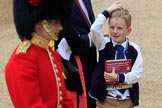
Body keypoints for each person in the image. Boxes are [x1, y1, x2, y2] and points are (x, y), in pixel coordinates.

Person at [4, 0, 74, 108]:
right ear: (39, 22)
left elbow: (64, 99)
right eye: (55, 22)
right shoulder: (22, 60)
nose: (60, 27)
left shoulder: (52, 54)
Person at [88, 2, 143, 108]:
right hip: (105, 101)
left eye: (120, 28)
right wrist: (107, 11)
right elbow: (94, 29)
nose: (115, 31)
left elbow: (137, 74)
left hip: (127, 102)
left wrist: (119, 77)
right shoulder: (103, 44)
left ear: (129, 30)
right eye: (112, 27)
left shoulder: (134, 49)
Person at [57, 0, 97, 108]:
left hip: (91, 65)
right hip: (73, 67)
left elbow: (90, 27)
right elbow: (66, 38)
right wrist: (89, 39)